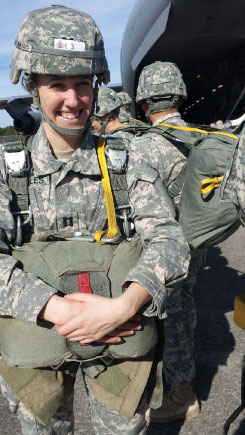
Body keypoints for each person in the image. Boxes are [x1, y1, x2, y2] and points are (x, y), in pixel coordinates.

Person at [0, 6, 190, 435]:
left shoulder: (128, 161)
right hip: (38, 347)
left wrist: (124, 305)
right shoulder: (8, 170)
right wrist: (58, 308)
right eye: (57, 85)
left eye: (82, 85)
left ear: (96, 86)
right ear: (32, 86)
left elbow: (169, 240)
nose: (72, 100)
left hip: (120, 346)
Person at [132, 61, 206, 423]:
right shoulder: (203, 138)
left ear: (144, 102)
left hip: (167, 249)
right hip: (198, 242)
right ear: (179, 95)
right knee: (185, 309)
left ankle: (181, 395)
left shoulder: (146, 146)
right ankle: (180, 383)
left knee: (171, 317)